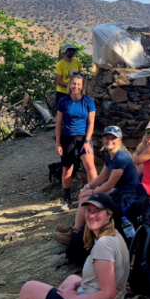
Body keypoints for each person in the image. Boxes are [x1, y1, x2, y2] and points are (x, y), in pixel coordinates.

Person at [13, 194, 127, 299]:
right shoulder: (114, 235)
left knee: (28, 289)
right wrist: (78, 287)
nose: (91, 215)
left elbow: (108, 294)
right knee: (73, 279)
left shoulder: (103, 245)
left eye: (98, 211)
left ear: (109, 214)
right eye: (88, 211)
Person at [56, 126, 142, 249]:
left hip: (127, 196)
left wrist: (92, 191)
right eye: (106, 137)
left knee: (88, 197)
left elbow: (110, 184)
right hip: (118, 191)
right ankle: (77, 227)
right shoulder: (111, 155)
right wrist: (87, 187)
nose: (109, 140)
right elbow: (102, 177)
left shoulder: (121, 157)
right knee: (86, 193)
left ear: (120, 140)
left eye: (113, 138)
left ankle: (75, 231)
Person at [55, 74, 98, 211]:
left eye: (78, 84)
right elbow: (59, 123)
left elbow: (91, 122)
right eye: (74, 84)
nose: (76, 87)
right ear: (69, 85)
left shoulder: (88, 101)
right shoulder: (63, 101)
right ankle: (66, 199)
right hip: (67, 137)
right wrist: (58, 143)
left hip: (83, 138)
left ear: (82, 86)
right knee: (67, 169)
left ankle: (95, 196)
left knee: (90, 165)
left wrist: (87, 140)